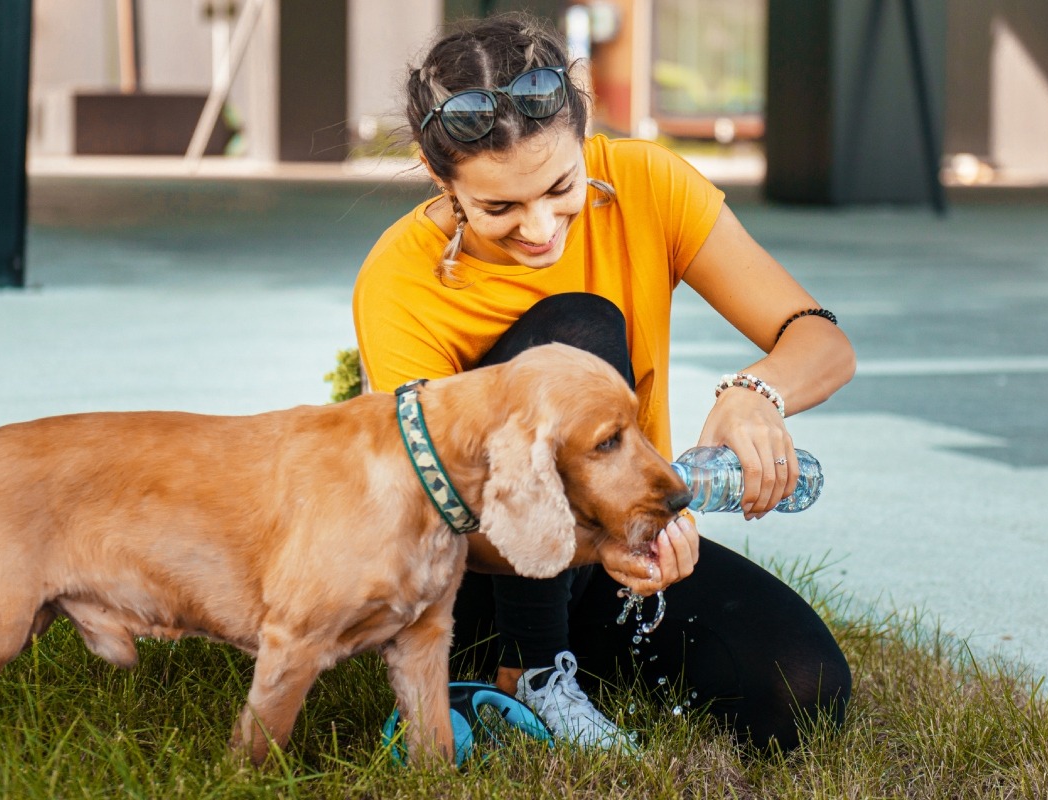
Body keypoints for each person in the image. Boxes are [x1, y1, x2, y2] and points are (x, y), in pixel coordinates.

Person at [352, 12, 856, 753]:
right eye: (499, 207)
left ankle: (574, 666)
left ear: (584, 136)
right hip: (473, 580)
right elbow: (427, 516)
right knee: (577, 330)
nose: (540, 227)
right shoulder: (399, 281)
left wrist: (756, 393)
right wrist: (597, 540)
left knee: (803, 691)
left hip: (610, 551)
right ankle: (526, 673)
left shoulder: (646, 183)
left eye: (560, 185)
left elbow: (821, 341)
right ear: (442, 180)